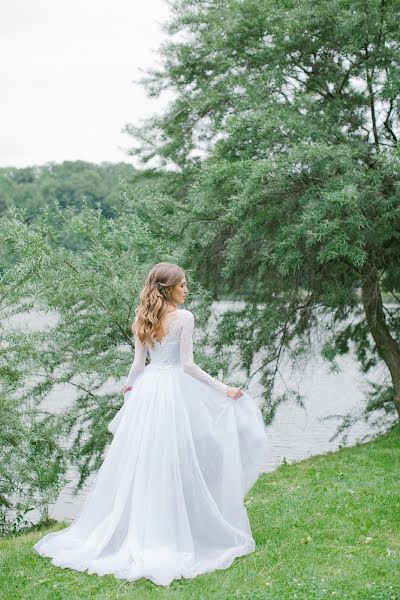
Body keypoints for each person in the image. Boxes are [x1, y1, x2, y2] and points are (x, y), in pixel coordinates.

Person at [33, 262, 269, 586]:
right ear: (167, 289)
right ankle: (170, 531)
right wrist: (222, 388)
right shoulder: (184, 318)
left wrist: (130, 391)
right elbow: (187, 366)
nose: (186, 290)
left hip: (148, 394)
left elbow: (138, 366)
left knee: (144, 463)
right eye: (182, 285)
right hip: (171, 394)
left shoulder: (144, 319)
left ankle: (150, 527)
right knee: (171, 460)